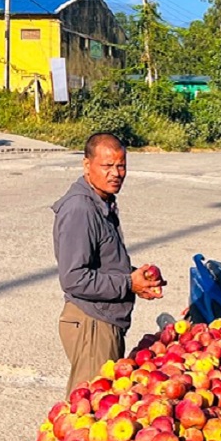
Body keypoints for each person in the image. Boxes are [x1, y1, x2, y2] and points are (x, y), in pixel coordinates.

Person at [52, 133, 165, 397]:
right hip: (92, 323)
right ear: (86, 165)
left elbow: (103, 264)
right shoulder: (80, 209)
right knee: (88, 411)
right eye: (106, 166)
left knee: (102, 404)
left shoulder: (101, 200)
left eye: (121, 165)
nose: (116, 173)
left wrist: (138, 281)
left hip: (104, 321)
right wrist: (128, 283)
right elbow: (74, 278)